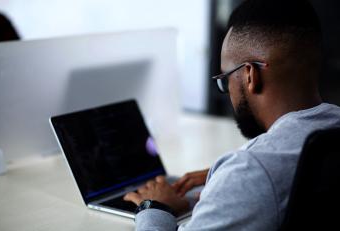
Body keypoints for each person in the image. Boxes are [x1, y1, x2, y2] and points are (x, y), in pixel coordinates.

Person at [124, 0, 340, 230]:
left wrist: (154, 207)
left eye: (225, 80)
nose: (227, 91)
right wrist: (223, 183)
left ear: (249, 75)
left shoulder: (251, 171)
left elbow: (256, 177)